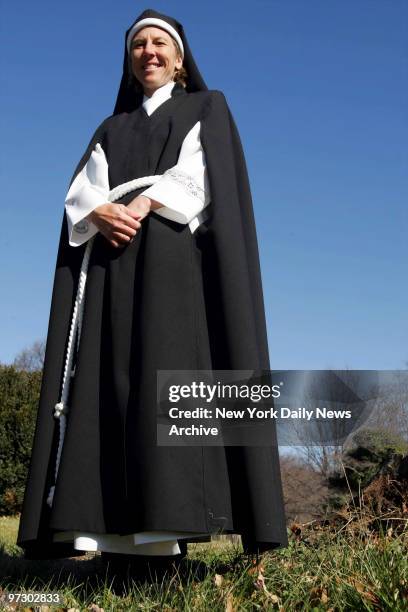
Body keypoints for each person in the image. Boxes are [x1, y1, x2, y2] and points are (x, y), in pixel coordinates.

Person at [17, 9, 288, 566]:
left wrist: (139, 202)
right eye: (138, 44)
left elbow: (201, 174)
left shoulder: (204, 107)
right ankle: (104, 531)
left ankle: (168, 525)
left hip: (171, 266)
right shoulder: (109, 129)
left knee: (165, 382)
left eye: (159, 42)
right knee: (107, 385)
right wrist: (101, 211)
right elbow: (80, 194)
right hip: (111, 269)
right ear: (129, 59)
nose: (149, 52)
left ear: (180, 57)